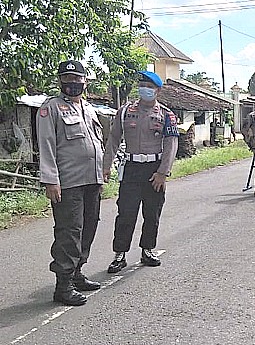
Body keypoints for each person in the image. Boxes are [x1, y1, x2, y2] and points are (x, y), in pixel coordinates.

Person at [36, 60, 103, 306]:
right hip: (68, 183)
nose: (73, 83)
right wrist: (50, 180)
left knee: (89, 227)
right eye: (68, 79)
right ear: (60, 81)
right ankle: (63, 286)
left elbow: (97, 142)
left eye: (77, 79)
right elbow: (46, 145)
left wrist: (101, 173)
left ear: (85, 81)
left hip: (92, 180)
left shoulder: (89, 108)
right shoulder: (50, 108)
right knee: (69, 232)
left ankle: (77, 273)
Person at [103, 71, 179, 273]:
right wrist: (105, 166)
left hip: (154, 169)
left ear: (158, 90)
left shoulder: (166, 114)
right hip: (131, 168)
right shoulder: (125, 111)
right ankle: (120, 254)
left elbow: (171, 143)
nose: (145, 88)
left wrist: (163, 172)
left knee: (152, 212)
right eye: (143, 84)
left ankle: (147, 250)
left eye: (150, 86)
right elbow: (114, 139)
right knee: (126, 213)